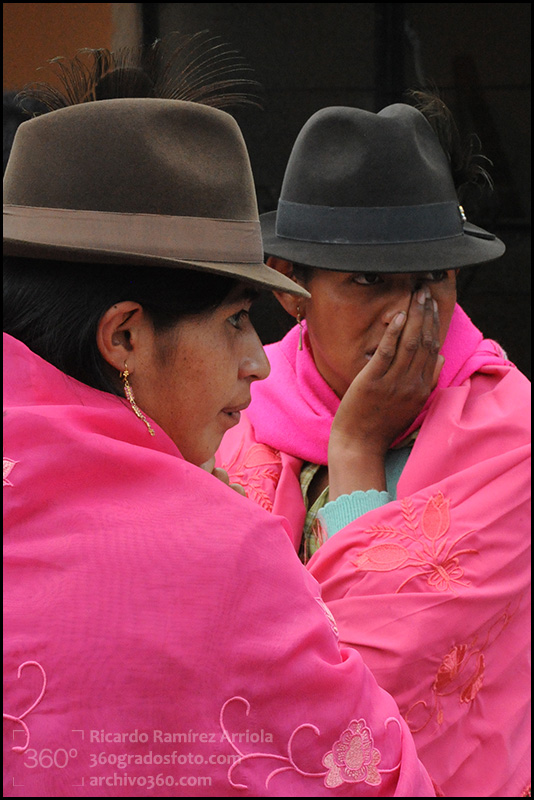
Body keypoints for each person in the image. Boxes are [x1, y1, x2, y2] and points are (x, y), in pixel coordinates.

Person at [2, 42, 436, 797]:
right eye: (237, 319)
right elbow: (379, 774)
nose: (259, 359)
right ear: (126, 337)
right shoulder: (219, 550)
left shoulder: (501, 430)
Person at [216, 95, 531, 797]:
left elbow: (358, 695)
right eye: (369, 281)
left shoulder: (510, 435)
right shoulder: (234, 413)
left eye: (432, 281)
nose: (409, 315)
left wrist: (356, 446)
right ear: (291, 288)